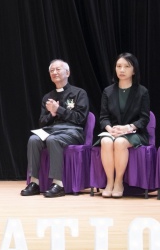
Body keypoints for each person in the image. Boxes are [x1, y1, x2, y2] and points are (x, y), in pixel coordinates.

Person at [21, 59, 89, 198]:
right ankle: (34, 183)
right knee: (33, 139)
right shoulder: (48, 97)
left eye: (58, 69)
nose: (54, 72)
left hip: (72, 131)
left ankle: (58, 184)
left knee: (53, 140)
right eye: (52, 70)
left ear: (67, 73)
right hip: (51, 130)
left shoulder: (79, 93)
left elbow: (80, 118)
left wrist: (59, 110)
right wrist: (51, 114)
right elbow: (42, 122)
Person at [96, 52, 150, 198]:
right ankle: (109, 182)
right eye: (119, 66)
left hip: (134, 132)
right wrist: (110, 129)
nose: (122, 70)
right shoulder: (108, 91)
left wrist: (128, 128)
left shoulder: (142, 91)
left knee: (120, 142)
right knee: (106, 141)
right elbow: (103, 117)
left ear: (134, 70)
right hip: (112, 131)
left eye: (127, 66)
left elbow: (144, 119)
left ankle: (119, 182)